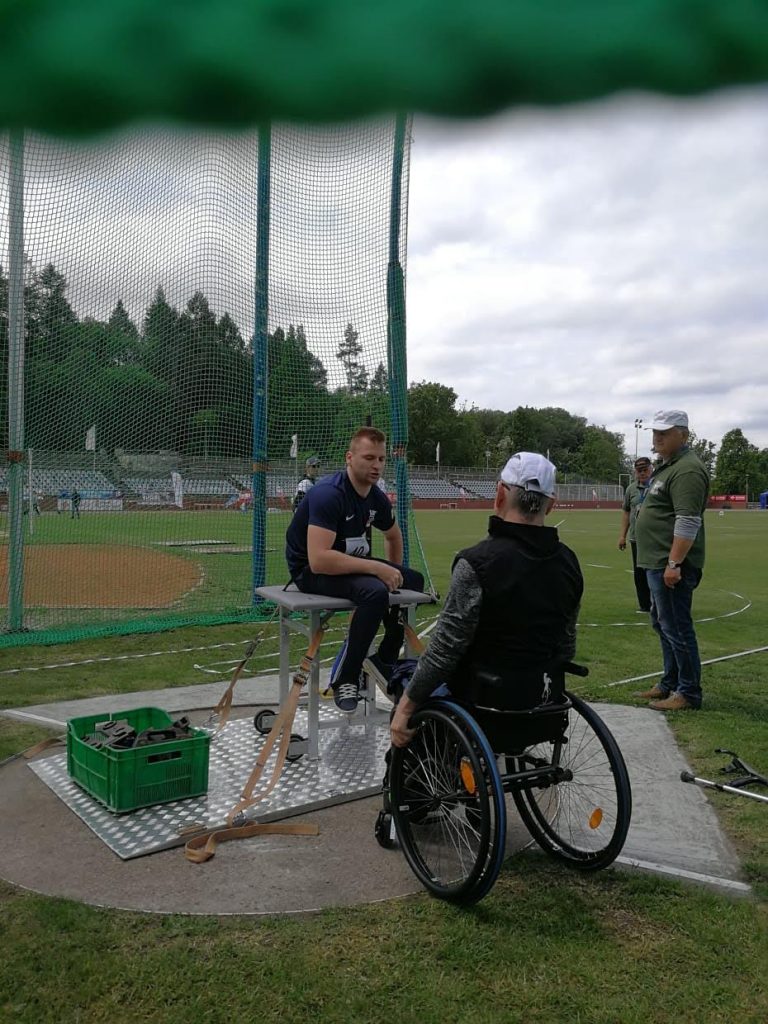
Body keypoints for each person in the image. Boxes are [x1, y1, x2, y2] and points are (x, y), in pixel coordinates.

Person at [390, 452, 583, 747]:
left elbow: (444, 654)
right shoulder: (569, 563)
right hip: (543, 701)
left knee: (405, 680)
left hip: (483, 702)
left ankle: (414, 786)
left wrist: (406, 706)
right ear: (552, 504)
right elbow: (566, 647)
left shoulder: (477, 562)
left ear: (500, 494)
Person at [286, 427, 424, 713]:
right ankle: (346, 677)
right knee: (373, 592)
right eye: (369, 457)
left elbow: (393, 535)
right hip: (310, 570)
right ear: (350, 458)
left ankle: (384, 656)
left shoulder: (375, 497)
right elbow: (319, 560)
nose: (376, 465)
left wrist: (393, 574)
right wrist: (376, 569)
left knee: (414, 580)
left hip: (346, 562)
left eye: (382, 459)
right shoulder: (329, 494)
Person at [634, 410, 709, 711]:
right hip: (657, 562)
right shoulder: (668, 467)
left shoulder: (687, 470)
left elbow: (688, 521)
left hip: (671, 564)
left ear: (684, 435)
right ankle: (670, 682)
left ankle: (688, 692)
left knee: (677, 627)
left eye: (664, 432)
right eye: (655, 432)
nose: (657, 437)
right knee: (663, 623)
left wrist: (675, 563)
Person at [618, 456, 653, 612]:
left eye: (645, 470)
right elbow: (626, 512)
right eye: (639, 471)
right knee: (639, 573)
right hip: (636, 538)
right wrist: (622, 536)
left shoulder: (659, 486)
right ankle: (644, 605)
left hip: (655, 539)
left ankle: (659, 603)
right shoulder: (631, 489)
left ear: (651, 469)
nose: (642, 473)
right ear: (635, 472)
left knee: (655, 571)